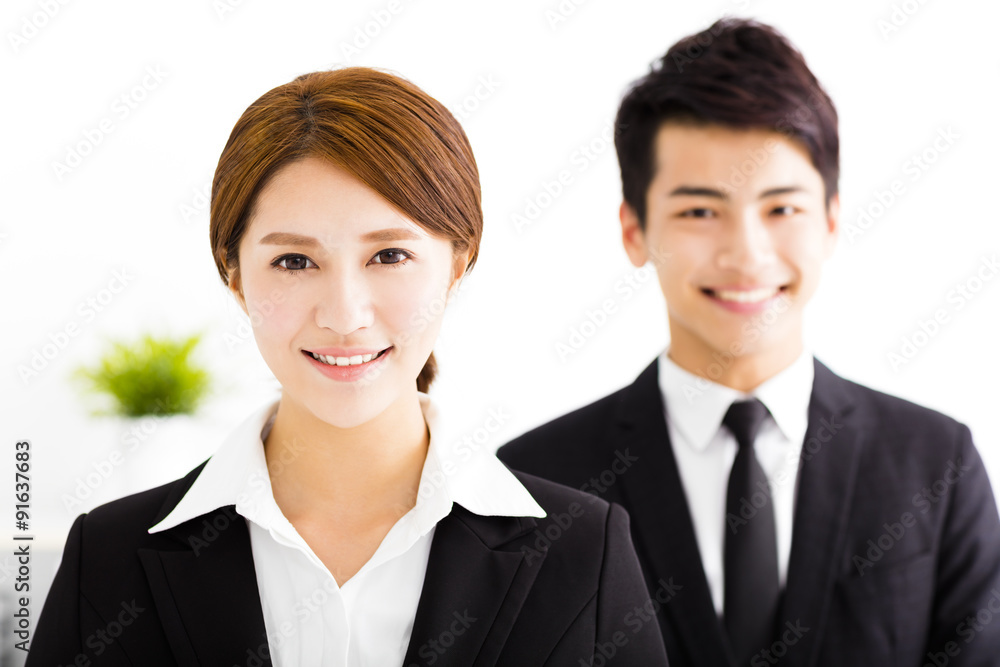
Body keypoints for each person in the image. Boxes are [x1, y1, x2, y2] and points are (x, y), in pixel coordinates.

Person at [28, 67, 668, 666]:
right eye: (294, 262)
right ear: (235, 278)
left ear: (458, 264)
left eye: (389, 255)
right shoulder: (107, 558)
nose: (343, 314)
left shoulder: (584, 551)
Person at [497, 17, 1000, 667]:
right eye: (700, 211)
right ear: (634, 230)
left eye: (781, 207)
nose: (746, 254)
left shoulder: (936, 463)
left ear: (830, 221)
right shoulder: (536, 482)